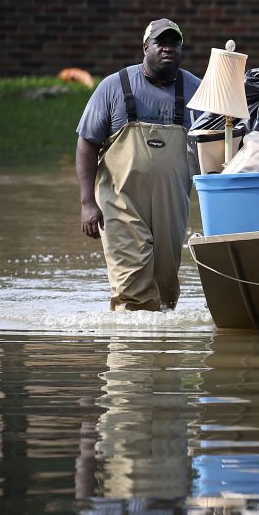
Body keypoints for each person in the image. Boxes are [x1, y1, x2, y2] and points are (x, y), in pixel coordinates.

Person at [76, 18, 202, 311]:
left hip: (172, 203)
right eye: (161, 43)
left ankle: (160, 353)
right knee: (132, 284)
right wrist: (86, 203)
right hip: (120, 202)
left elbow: (215, 145)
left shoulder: (197, 90)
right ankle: (129, 352)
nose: (168, 49)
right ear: (145, 47)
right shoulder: (113, 87)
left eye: (175, 44)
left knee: (165, 284)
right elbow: (87, 143)